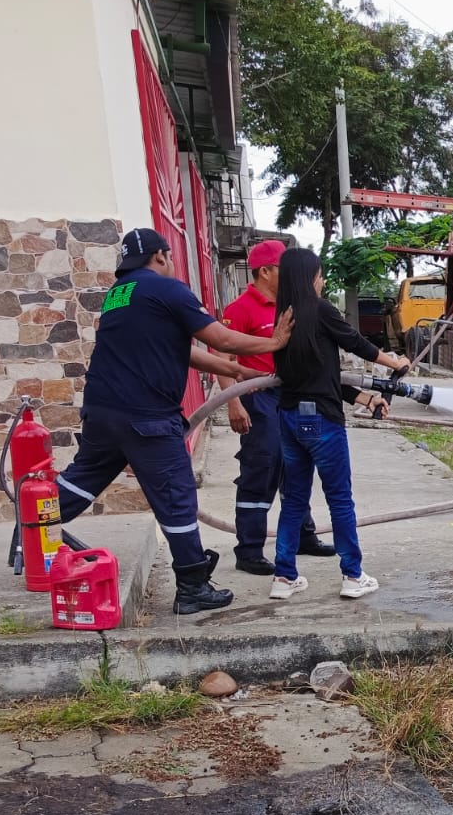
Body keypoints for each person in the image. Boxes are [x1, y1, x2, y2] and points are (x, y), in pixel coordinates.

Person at [55, 227, 292, 615]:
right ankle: (192, 585)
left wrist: (240, 373)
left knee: (82, 480)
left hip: (102, 410)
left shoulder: (120, 294)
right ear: (161, 256)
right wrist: (274, 344)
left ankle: (28, 535)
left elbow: (185, 352)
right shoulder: (167, 289)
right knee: (177, 497)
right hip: (146, 416)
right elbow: (222, 339)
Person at [269, 247, 409, 602]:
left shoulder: (283, 317)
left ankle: (283, 577)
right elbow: (356, 343)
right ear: (309, 278)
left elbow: (322, 376)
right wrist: (394, 362)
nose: (322, 281)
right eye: (319, 275)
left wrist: (367, 399)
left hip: (291, 418)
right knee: (340, 501)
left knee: (294, 500)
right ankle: (353, 575)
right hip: (322, 422)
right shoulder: (320, 309)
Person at [219, 239, 336, 574]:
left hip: (291, 395)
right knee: (262, 466)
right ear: (266, 272)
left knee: (295, 464)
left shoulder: (292, 305)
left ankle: (303, 535)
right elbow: (222, 359)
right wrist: (234, 404)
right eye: (284, 268)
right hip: (258, 396)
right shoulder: (240, 309)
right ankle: (249, 549)